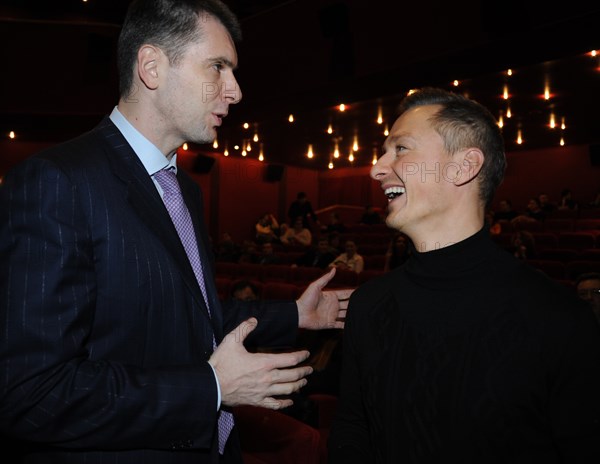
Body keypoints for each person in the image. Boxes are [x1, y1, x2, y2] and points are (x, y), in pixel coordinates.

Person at [0, 1, 352, 463]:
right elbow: (30, 392)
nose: (236, 90)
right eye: (218, 67)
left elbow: (187, 313)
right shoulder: (58, 182)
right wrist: (211, 388)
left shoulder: (181, 187)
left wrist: (294, 314)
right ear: (151, 66)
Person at [328, 87, 600, 463]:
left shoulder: (559, 319)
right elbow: (352, 426)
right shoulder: (368, 305)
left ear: (464, 166)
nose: (376, 168)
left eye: (401, 149)